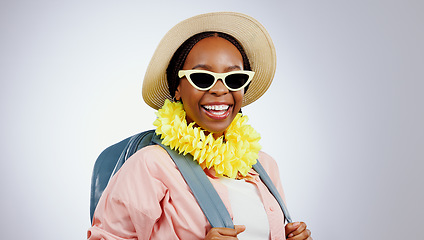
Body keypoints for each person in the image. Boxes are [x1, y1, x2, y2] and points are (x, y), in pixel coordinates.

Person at [88, 12, 312, 240]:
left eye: (234, 79)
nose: (219, 90)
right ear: (177, 88)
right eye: (202, 78)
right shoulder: (150, 165)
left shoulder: (265, 166)